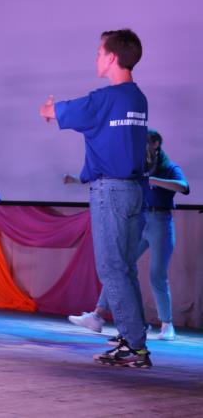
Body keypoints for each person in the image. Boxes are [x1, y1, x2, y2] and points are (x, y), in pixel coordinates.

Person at [40, 28, 150, 368]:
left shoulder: (103, 99)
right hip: (134, 191)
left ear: (112, 57)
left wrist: (49, 108)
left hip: (110, 191)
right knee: (125, 269)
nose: (96, 58)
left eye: (100, 52)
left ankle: (135, 347)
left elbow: (50, 112)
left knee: (111, 269)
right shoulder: (138, 98)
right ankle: (134, 339)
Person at [67, 129, 189, 341]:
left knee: (157, 275)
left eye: (145, 142)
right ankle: (98, 315)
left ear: (156, 144)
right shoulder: (137, 166)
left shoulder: (169, 167)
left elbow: (184, 187)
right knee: (119, 268)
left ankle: (167, 325)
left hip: (160, 222)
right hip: (140, 220)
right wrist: (76, 180)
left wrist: (154, 180)